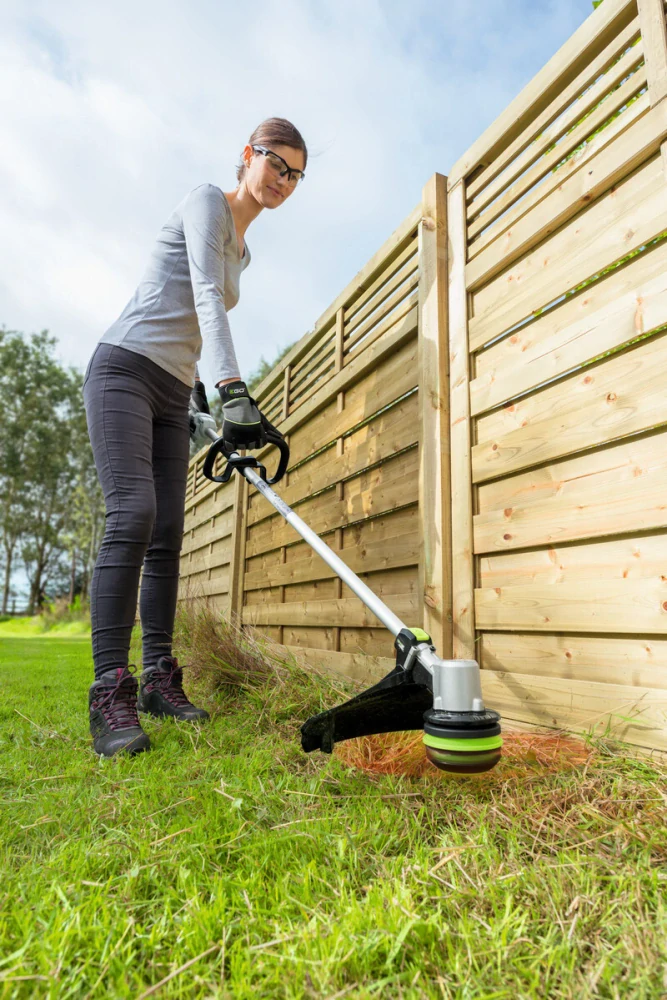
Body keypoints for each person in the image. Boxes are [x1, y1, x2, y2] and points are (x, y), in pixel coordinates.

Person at [83, 118, 307, 757]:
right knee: (133, 513)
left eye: (295, 174)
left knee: (169, 534)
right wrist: (235, 388)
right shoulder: (208, 201)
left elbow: (197, 322)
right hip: (124, 368)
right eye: (275, 164)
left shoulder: (246, 249)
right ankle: (110, 689)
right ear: (248, 156)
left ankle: (158, 679)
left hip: (175, 392)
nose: (283, 181)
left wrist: (204, 395)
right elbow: (204, 295)